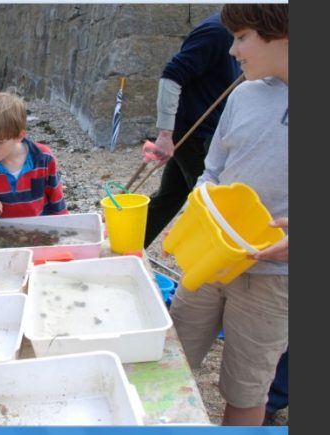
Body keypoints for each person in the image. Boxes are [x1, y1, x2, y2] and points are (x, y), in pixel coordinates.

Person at [168, 3, 288, 426]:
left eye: (241, 38)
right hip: (208, 260)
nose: (232, 51)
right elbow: (212, 170)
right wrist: (201, 204)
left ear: (281, 32)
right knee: (168, 356)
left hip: (275, 279)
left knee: (247, 389)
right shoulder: (244, 93)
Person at [142, 12, 241, 248]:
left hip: (201, 133)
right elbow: (171, 76)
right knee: (209, 207)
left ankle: (125, 248)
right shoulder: (216, 32)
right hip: (194, 136)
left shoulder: (238, 33)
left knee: (169, 197)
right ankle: (207, 264)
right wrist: (165, 134)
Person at [0, 92, 68, 230]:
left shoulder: (44, 158)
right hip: (2, 234)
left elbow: (56, 197)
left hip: (41, 231)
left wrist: (63, 228)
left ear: (19, 136)